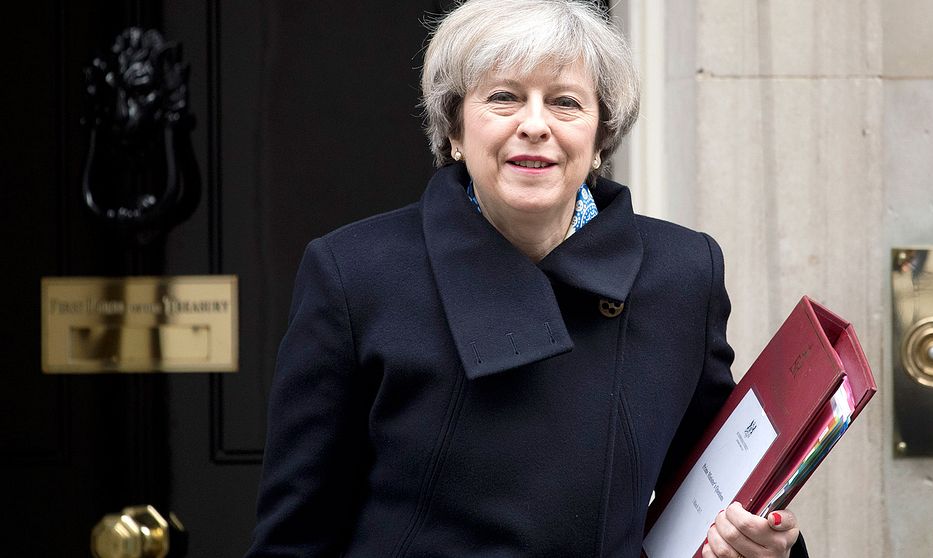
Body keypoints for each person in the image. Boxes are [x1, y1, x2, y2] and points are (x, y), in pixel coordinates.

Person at [246, 1, 808, 556]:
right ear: (455, 131)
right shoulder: (354, 274)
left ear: (600, 138)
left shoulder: (683, 273)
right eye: (504, 97)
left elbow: (716, 491)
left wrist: (762, 544)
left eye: (565, 102)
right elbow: (296, 538)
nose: (534, 125)